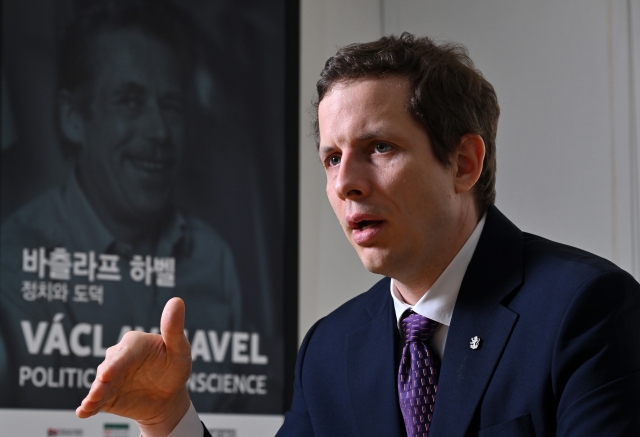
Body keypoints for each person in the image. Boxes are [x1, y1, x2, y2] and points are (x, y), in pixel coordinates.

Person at [77, 33, 640, 436]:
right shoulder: (329, 347)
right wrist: (168, 415)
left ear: (464, 162)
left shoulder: (585, 309)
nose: (346, 183)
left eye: (380, 148)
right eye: (330, 158)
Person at [0, 0, 242, 411]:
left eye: (171, 106)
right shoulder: (14, 256)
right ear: (73, 117)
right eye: (129, 100)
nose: (160, 131)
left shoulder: (213, 257)